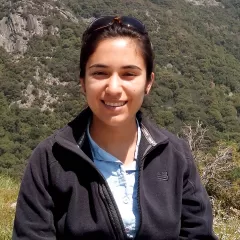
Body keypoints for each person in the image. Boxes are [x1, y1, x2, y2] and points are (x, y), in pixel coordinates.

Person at [13, 16, 218, 240]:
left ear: (148, 82)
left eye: (129, 74)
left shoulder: (175, 156)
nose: (113, 88)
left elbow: (198, 234)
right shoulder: (50, 161)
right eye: (99, 73)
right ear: (83, 81)